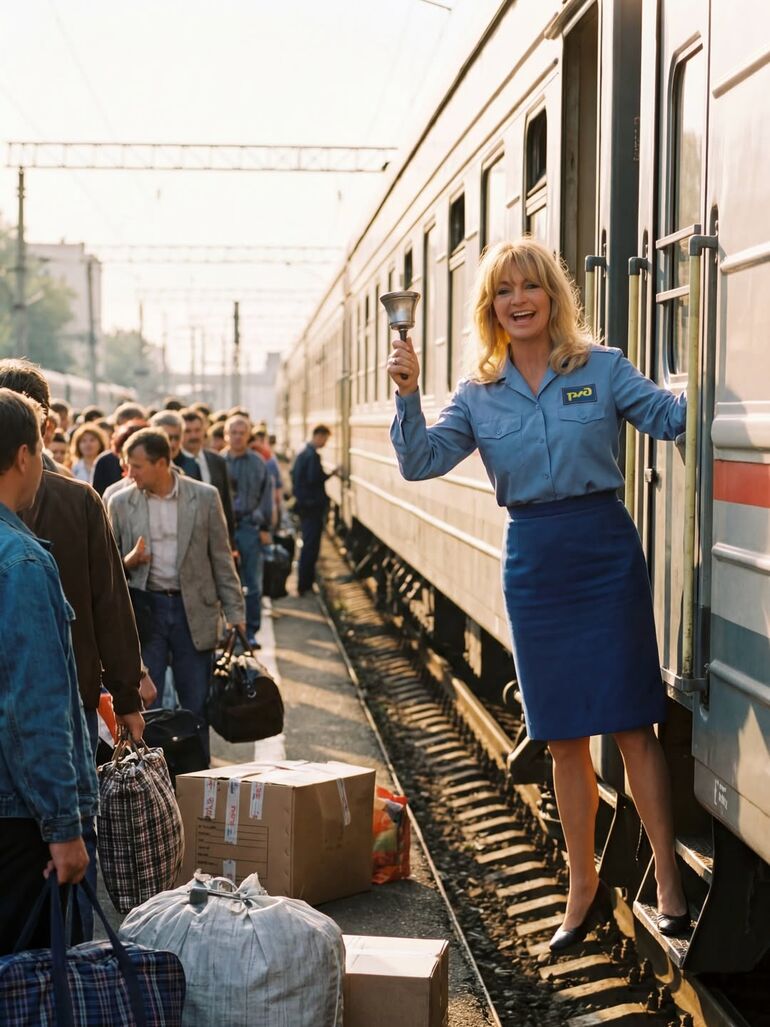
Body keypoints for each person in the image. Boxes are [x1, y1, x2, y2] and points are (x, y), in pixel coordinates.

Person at [388, 238, 689, 951]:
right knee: (561, 738)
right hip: (535, 563)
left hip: (604, 553)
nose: (518, 300)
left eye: (530, 286)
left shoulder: (602, 367)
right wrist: (407, 394)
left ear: (553, 295)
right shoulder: (477, 393)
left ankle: (669, 879)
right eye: (503, 290)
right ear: (490, 307)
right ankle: (582, 886)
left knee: (633, 726)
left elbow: (671, 418)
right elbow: (419, 462)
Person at [0, 358, 148, 940]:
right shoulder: (57, 523)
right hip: (60, 725)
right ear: (33, 441)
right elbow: (110, 602)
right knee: (55, 922)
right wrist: (127, 695)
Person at [0, 389, 95, 955]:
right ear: (23, 456)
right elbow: (34, 710)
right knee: (32, 976)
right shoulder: (22, 562)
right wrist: (63, 830)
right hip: (19, 822)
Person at [107, 428, 245, 762]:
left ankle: (199, 775)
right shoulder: (120, 502)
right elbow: (109, 567)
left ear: (161, 463)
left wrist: (236, 614)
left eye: (137, 466)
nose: (130, 473)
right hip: (146, 610)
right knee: (144, 702)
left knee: (196, 704)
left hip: (192, 610)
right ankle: (150, 775)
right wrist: (130, 561)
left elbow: (221, 558)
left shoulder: (205, 497)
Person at [223, 414, 274, 647]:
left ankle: (251, 630)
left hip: (249, 526)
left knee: (252, 582)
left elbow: (266, 496)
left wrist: (264, 526)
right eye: (233, 432)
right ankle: (227, 629)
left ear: (248, 435)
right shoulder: (218, 462)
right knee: (225, 580)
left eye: (241, 433)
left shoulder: (258, 463)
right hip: (223, 527)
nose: (237, 437)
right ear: (226, 435)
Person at [291, 425, 335, 596]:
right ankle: (304, 585)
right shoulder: (312, 455)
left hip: (305, 506)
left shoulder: (303, 452)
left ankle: (305, 584)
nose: (325, 443)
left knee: (308, 544)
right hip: (312, 507)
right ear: (318, 435)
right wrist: (330, 474)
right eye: (325, 439)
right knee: (310, 546)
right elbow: (313, 478)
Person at [181, 406, 235, 541]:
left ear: (204, 431)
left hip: (215, 534)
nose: (193, 436)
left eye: (197, 430)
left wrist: (231, 541)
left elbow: (226, 502)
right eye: (188, 431)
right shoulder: (174, 464)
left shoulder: (217, 461)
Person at [92, 401, 147, 495]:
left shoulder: (156, 458)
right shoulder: (104, 462)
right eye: (125, 428)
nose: (129, 433)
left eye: (135, 428)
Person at [150, 409, 201, 480]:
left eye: (177, 438)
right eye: (168, 438)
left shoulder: (192, 465)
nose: (172, 444)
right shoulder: (144, 463)